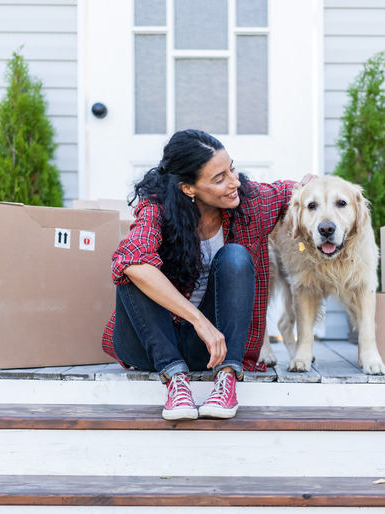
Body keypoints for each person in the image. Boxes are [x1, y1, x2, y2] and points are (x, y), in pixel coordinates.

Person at [102, 129, 306, 421]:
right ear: (188, 188)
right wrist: (199, 321)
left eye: (231, 168)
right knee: (132, 267)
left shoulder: (250, 202)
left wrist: (311, 183)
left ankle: (226, 381)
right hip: (150, 346)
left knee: (235, 255)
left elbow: (291, 191)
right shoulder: (157, 207)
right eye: (219, 178)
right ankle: (176, 382)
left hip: (214, 351)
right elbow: (133, 259)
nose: (234, 181)